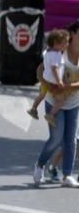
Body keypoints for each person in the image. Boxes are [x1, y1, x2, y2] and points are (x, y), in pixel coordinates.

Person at [33, 20, 79, 187]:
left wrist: (68, 86)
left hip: (73, 103)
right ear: (73, 34)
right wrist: (49, 86)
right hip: (55, 101)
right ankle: (40, 165)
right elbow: (41, 70)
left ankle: (67, 175)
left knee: (71, 139)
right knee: (56, 139)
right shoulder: (59, 52)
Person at [28, 29, 70, 127]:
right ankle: (51, 115)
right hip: (53, 82)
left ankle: (33, 108)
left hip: (45, 80)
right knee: (61, 100)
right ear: (56, 43)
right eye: (65, 42)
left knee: (42, 95)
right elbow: (54, 68)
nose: (67, 44)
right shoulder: (57, 55)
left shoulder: (47, 51)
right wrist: (59, 81)